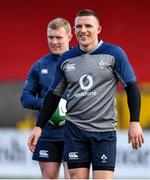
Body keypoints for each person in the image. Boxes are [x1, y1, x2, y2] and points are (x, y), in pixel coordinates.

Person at [28, 9, 144, 179]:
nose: (83, 30)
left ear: (98, 29)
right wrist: (39, 126)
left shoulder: (114, 54)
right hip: (75, 131)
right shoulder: (66, 59)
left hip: (104, 131)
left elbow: (131, 88)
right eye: (79, 26)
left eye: (88, 26)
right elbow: (54, 95)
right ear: (74, 31)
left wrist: (135, 121)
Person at [21, 18, 72, 179]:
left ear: (69, 37)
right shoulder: (39, 65)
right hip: (47, 133)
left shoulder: (80, 61)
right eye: (50, 37)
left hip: (74, 133)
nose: (54, 41)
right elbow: (25, 98)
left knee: (74, 177)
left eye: (58, 37)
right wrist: (48, 104)